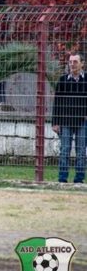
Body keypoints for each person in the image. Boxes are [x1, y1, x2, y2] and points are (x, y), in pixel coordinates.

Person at [51, 52, 87, 183]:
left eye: (75, 62)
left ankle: (79, 180)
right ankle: (62, 179)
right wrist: (55, 122)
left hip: (82, 122)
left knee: (81, 152)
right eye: (70, 62)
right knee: (64, 150)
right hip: (65, 121)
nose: (72, 64)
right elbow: (57, 103)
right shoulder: (63, 80)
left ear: (82, 63)